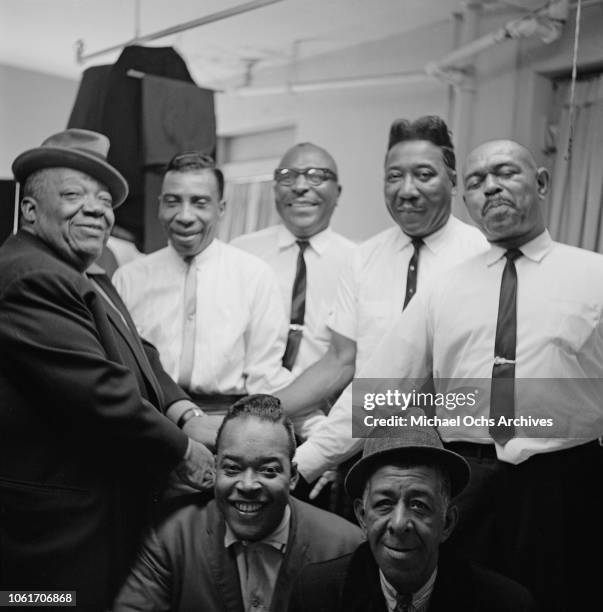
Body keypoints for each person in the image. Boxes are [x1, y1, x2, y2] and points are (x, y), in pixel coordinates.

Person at [354, 139, 603, 611]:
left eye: (505, 173)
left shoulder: (595, 276)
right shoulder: (443, 287)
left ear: (542, 182)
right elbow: (382, 387)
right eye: (475, 181)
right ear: (464, 200)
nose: (491, 188)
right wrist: (304, 459)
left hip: (566, 486)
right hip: (468, 479)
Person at [0, 129, 214, 610]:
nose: (96, 209)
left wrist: (182, 411)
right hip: (52, 531)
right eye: (74, 195)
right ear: (30, 211)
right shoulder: (32, 275)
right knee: (41, 605)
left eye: (104, 199)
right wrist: (185, 450)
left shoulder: (82, 274)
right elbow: (102, 392)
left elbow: (139, 351)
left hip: (99, 512)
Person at [276, 116, 487, 490]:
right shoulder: (364, 258)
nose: (406, 190)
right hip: (367, 448)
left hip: (458, 453)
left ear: (452, 180)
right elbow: (340, 361)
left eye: (424, 174)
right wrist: (259, 414)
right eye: (394, 176)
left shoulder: (485, 257)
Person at [113, 152, 311, 442]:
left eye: (199, 202)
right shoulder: (129, 278)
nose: (184, 215)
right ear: (159, 206)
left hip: (228, 425)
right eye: (172, 201)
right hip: (148, 424)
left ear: (221, 208)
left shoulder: (254, 275)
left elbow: (265, 375)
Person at [113, 395, 363, 612]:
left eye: (268, 470)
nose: (248, 485)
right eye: (232, 468)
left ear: (294, 476)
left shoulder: (345, 547)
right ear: (215, 469)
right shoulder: (173, 533)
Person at [288, 411, 535, 611]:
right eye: (384, 503)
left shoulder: (504, 604)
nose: (399, 523)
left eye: (419, 505)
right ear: (362, 516)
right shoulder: (317, 595)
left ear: (447, 522)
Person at [232, 142, 354, 412]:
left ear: (338, 192)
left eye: (317, 176)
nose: (300, 186)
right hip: (244, 409)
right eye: (287, 176)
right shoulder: (240, 252)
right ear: (274, 189)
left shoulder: (359, 263)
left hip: (326, 414)